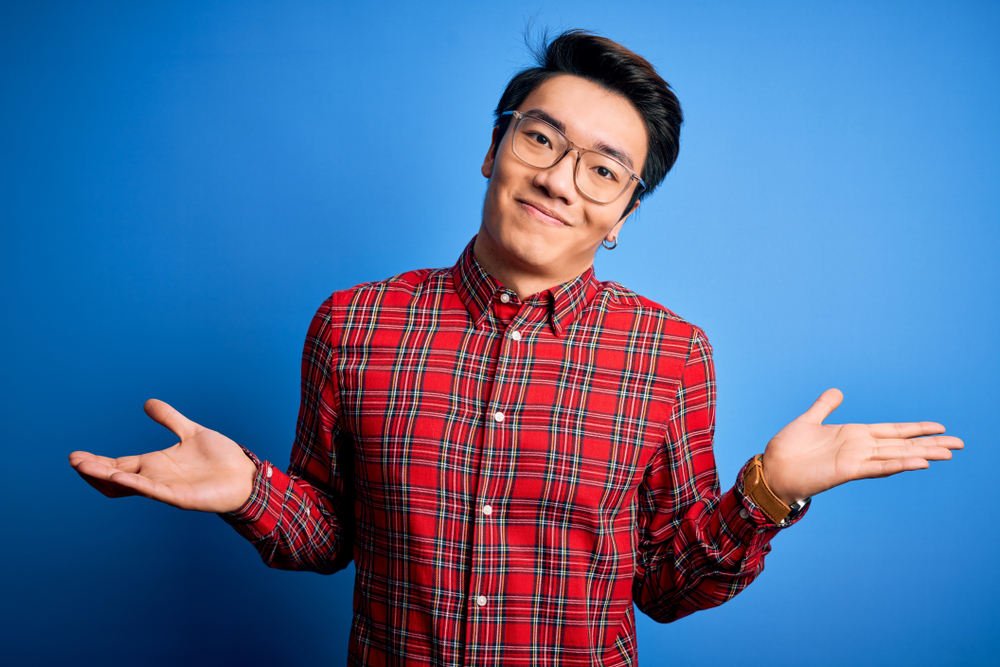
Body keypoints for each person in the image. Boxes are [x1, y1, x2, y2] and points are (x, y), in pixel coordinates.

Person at [69, 30, 962, 666]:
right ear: (495, 147)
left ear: (623, 215)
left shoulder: (671, 354)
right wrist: (249, 490)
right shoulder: (352, 324)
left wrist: (768, 492)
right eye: (541, 137)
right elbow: (333, 533)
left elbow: (664, 586)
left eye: (603, 169)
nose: (560, 180)